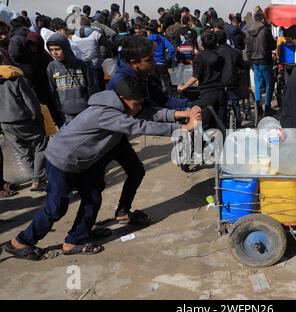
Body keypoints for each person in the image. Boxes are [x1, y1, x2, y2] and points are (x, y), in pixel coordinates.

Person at [1, 74, 201, 261]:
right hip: (62, 160)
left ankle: (75, 240)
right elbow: (138, 126)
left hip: (81, 162)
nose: (139, 108)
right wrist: (182, 128)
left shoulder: (124, 105)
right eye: (136, 104)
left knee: (93, 197)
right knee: (56, 208)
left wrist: (184, 113)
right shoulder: (104, 112)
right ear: (122, 98)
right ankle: (20, 242)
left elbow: (149, 113)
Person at [106, 35, 196, 222]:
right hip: (105, 137)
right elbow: (146, 115)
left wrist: (190, 105)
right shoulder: (123, 83)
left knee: (136, 171)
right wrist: (179, 123)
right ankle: (75, 237)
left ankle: (122, 212)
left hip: (119, 135)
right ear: (134, 62)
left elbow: (164, 100)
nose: (155, 62)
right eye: (150, 59)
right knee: (92, 190)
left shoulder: (143, 76)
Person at [0, 65, 48, 192]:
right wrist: (39, 118)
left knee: (23, 152)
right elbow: (31, 101)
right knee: (40, 147)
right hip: (24, 120)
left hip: (5, 123)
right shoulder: (16, 78)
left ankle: (35, 179)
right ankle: (37, 180)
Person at [46, 33, 99, 123]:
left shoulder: (81, 65)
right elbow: (52, 90)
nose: (54, 53)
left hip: (85, 110)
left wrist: (91, 104)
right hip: (66, 114)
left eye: (57, 49)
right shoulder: (52, 67)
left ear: (66, 48)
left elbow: (91, 87)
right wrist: (59, 106)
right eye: (51, 50)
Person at [178, 31, 226, 129]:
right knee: (221, 123)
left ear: (202, 44)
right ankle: (224, 142)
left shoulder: (199, 58)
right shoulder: (220, 57)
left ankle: (200, 143)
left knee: (203, 124)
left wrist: (183, 87)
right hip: (221, 93)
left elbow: (195, 77)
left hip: (207, 94)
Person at [72, 16, 117, 89]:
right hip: (96, 66)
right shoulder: (95, 34)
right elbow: (111, 46)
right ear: (89, 24)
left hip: (81, 67)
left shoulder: (73, 37)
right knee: (99, 87)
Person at [246, 12, 277, 116]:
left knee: (258, 85)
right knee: (269, 84)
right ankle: (267, 107)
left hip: (254, 62)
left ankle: (258, 107)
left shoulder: (248, 31)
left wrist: (250, 63)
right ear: (263, 19)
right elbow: (273, 46)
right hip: (265, 61)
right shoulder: (265, 30)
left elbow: (248, 50)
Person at [216, 30, 245, 128]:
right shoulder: (235, 51)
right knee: (235, 103)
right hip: (232, 81)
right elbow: (241, 65)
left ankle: (221, 124)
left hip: (219, 82)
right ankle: (238, 123)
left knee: (221, 104)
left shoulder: (215, 52)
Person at [146, 24, 176, 95]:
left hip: (151, 64)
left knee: (156, 83)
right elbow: (171, 49)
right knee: (167, 83)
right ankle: (172, 97)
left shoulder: (146, 40)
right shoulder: (162, 38)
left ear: (149, 31)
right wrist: (168, 57)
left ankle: (160, 98)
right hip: (162, 62)